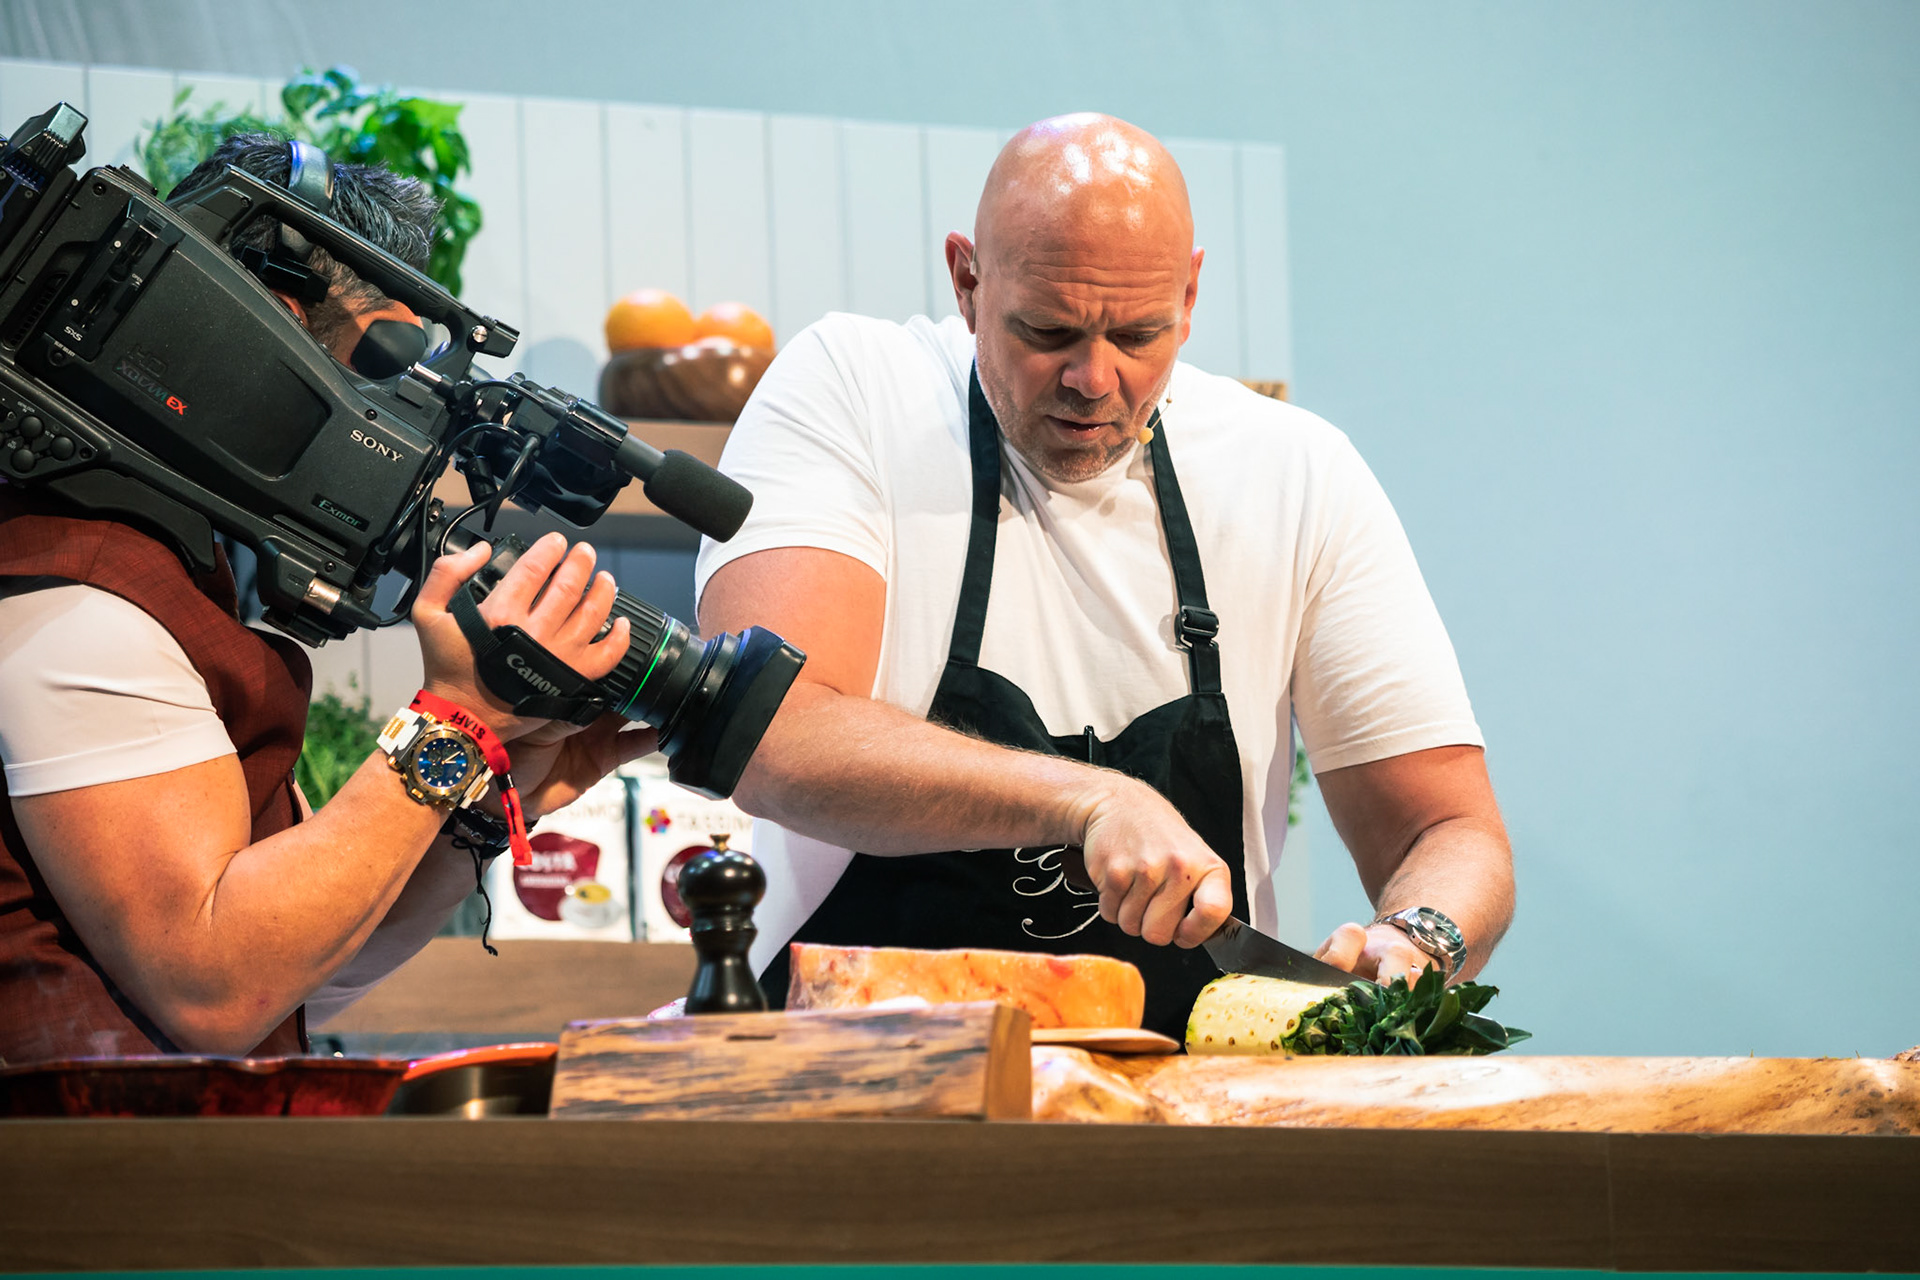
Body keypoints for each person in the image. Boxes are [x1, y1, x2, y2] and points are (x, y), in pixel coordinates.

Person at [696, 114, 1515, 1037]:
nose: (1095, 378)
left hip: (1178, 1105)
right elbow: (770, 730)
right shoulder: (852, 391)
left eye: (1139, 333)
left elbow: (1446, 832)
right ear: (967, 281)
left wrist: (1418, 937)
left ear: (1192, 294)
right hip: (858, 1089)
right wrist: (1093, 801)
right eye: (1048, 330)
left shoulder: (1297, 471)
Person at [0, 136, 653, 1062]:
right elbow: (213, 987)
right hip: (85, 1189)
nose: (390, 422)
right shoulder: (80, 594)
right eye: (376, 363)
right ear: (250, 320)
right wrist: (453, 724)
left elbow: (302, 964)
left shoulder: (173, 577)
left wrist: (481, 788)